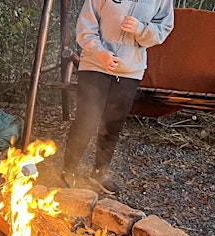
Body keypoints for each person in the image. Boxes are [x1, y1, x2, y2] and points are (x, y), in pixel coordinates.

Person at [62, 0, 174, 193]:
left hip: (130, 70)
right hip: (95, 64)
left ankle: (99, 172)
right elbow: (85, 26)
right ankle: (68, 170)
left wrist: (141, 29)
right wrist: (100, 53)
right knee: (85, 122)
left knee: (113, 125)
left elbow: (163, 29)